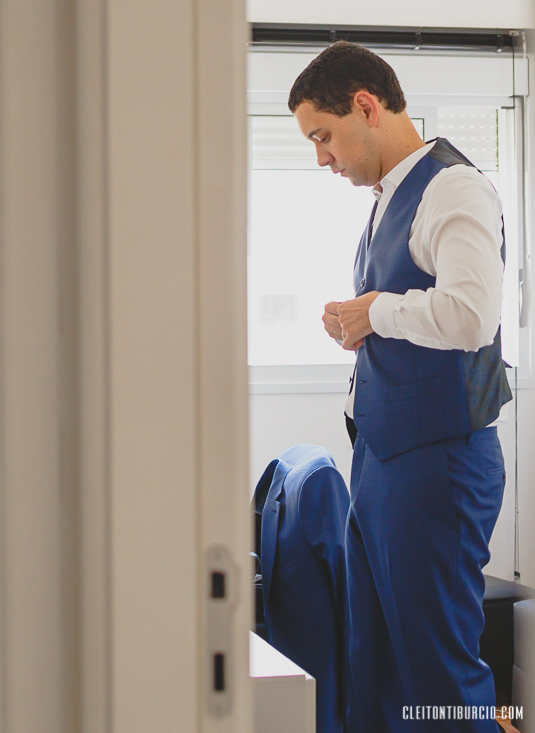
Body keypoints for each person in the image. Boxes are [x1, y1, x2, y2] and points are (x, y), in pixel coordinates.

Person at [289, 41, 511, 732]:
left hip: (437, 463)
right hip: (386, 459)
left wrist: (375, 309)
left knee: (437, 674)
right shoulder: (389, 197)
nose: (322, 157)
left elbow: (473, 315)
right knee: (378, 658)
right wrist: (364, 324)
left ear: (366, 105)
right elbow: (414, 315)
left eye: (323, 136)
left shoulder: (454, 187)